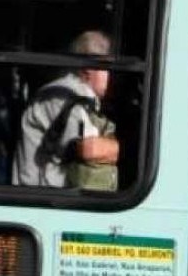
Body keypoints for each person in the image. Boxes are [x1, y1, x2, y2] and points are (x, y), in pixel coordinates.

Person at [14, 30, 119, 190]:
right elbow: (91, 151)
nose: (110, 77)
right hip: (39, 195)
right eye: (106, 69)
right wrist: (117, 148)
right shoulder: (62, 97)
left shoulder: (82, 98)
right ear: (88, 69)